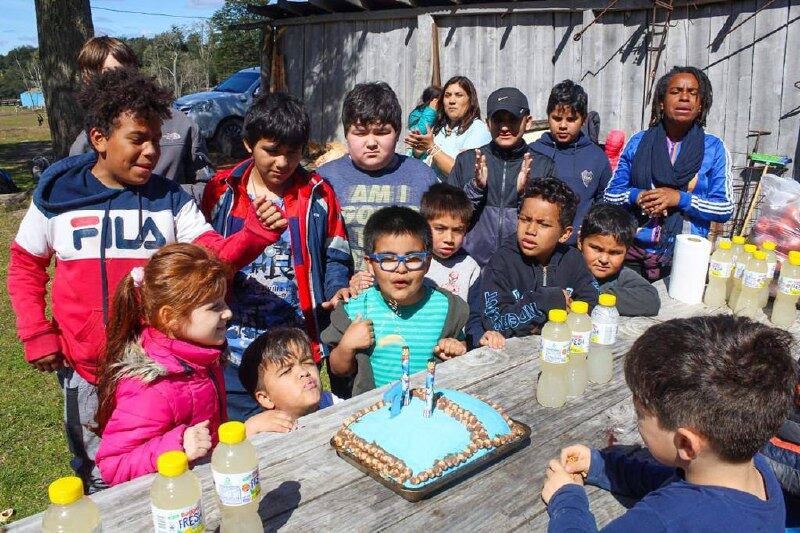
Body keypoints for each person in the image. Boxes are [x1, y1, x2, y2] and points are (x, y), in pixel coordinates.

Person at [7, 68, 285, 492]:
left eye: (156, 139)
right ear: (99, 138)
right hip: (86, 370)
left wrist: (254, 235)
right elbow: (26, 264)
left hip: (155, 375)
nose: (152, 151)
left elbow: (215, 255)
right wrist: (35, 331)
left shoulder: (170, 201)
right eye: (138, 139)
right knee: (97, 469)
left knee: (165, 465)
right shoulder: (58, 199)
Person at [542, 315, 797, 531]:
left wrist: (566, 499)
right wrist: (603, 466)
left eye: (641, 414)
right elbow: (674, 477)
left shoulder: (665, 519)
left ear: (686, 443)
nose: (638, 420)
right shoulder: (753, 468)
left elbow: (675, 504)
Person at [201, 91, 351, 421]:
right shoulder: (222, 191)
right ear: (248, 144)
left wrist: (338, 285)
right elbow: (204, 254)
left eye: (293, 152)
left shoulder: (317, 193)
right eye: (271, 151)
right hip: (233, 346)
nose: (282, 163)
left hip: (295, 344)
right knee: (240, 431)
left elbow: (336, 251)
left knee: (294, 431)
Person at [93, 244, 229, 485]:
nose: (228, 313)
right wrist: (177, 445)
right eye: (214, 307)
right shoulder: (153, 387)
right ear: (170, 318)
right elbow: (112, 466)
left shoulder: (198, 358)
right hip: (171, 505)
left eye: (224, 302)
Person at [321, 207, 469, 398]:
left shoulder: (447, 309)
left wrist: (457, 349)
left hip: (430, 408)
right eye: (388, 259)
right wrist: (347, 345)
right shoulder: (356, 309)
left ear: (428, 263)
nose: (401, 269)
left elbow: (460, 347)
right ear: (370, 264)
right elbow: (338, 370)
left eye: (413, 258)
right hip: (376, 411)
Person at [604, 66, 733, 282]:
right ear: (661, 102)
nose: (684, 98)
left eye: (693, 93)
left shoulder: (714, 148)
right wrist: (638, 196)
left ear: (700, 105)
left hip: (685, 256)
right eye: (675, 92)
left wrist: (679, 199)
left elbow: (725, 208)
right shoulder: (639, 143)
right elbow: (610, 195)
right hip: (632, 251)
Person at [69, 36, 213, 198]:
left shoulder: (182, 125)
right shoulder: (85, 143)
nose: (122, 82)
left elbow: (207, 187)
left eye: (128, 71)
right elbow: (77, 199)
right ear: (89, 82)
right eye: (110, 75)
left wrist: (166, 198)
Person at [317, 82, 438, 275]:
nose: (371, 142)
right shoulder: (324, 180)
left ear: (397, 133)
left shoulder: (423, 177)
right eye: (360, 133)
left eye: (382, 132)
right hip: (346, 299)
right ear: (346, 133)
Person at [468, 178, 598, 350]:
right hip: (513, 360)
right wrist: (545, 301)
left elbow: (592, 304)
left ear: (565, 234)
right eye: (525, 219)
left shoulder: (573, 259)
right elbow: (495, 322)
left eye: (543, 224)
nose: (530, 231)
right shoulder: (502, 262)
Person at [447, 87, 556, 266]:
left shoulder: (544, 166)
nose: (504, 128)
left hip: (522, 267)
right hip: (471, 266)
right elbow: (448, 217)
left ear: (527, 122)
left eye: (512, 120)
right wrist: (476, 187)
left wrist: (525, 194)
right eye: (498, 120)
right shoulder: (467, 161)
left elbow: (548, 223)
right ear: (487, 123)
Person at [530, 80, 612, 244]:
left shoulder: (596, 157)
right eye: (557, 118)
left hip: (577, 247)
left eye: (571, 119)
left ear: (583, 120)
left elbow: (604, 199)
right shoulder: (534, 152)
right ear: (548, 116)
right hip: (536, 243)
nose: (563, 125)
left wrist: (592, 229)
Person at [238, 327, 340, 437]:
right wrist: (249, 428)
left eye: (307, 362)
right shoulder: (264, 429)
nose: (303, 372)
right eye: (286, 371)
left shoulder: (330, 401)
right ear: (266, 398)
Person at [578, 203, 660, 316]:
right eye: (597, 249)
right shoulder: (565, 265)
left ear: (626, 252)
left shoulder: (621, 274)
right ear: (580, 242)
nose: (604, 259)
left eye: (614, 252)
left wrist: (592, 294)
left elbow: (651, 301)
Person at [405, 76, 492, 179]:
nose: (452, 101)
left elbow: (462, 173)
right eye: (447, 95)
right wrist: (418, 151)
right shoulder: (440, 127)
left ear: (470, 100)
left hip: (452, 194)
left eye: (458, 95)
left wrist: (432, 148)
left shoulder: (478, 129)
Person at [420, 183, 481, 302]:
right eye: (440, 228)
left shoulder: (470, 268)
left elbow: (475, 316)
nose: (449, 239)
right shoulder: (412, 261)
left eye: (457, 230)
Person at [407, 85, 441, 159]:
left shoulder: (439, 113)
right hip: (420, 157)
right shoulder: (418, 112)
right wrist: (431, 110)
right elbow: (420, 131)